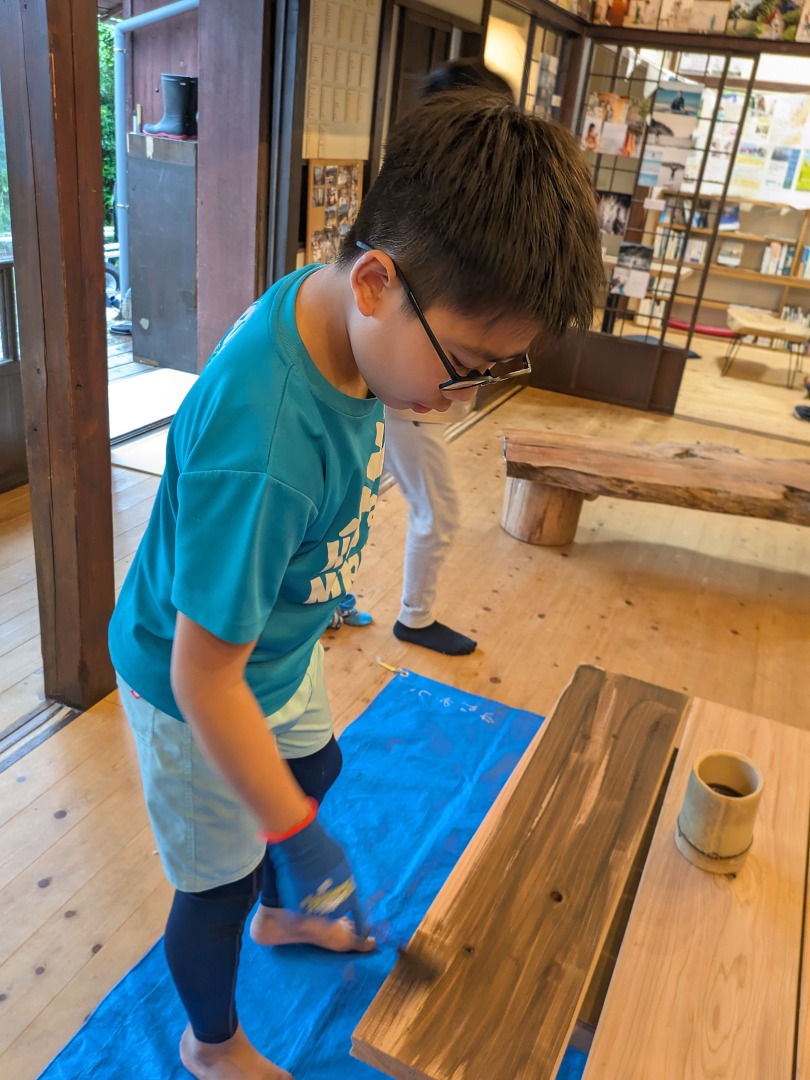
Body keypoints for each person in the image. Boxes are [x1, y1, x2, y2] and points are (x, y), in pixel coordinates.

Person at [108, 90, 603, 1080]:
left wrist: (297, 817)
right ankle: (212, 1046)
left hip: (272, 642)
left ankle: (281, 914)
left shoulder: (343, 308)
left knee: (317, 769)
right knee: (216, 885)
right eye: (465, 365)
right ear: (376, 281)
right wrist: (295, 836)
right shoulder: (268, 448)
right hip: (192, 682)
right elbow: (206, 680)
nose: (459, 397)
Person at [384, 58, 515, 658]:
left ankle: (333, 599)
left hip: (407, 388)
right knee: (436, 513)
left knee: (361, 494)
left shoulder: (443, 197)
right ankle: (415, 617)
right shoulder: (427, 202)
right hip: (405, 389)